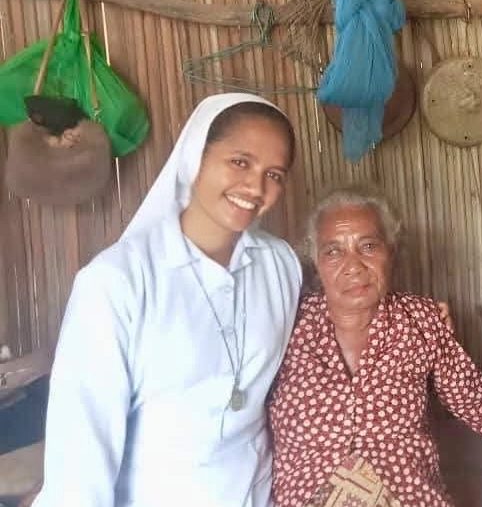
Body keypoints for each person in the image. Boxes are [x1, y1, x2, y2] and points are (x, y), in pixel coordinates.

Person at [34, 93, 303, 506]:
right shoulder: (117, 283)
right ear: (196, 156)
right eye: (240, 162)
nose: (255, 186)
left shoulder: (281, 266)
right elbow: (82, 453)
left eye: (275, 174)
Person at [268, 186, 482, 507]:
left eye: (368, 246)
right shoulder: (284, 324)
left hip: (407, 496)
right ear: (315, 262)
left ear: (392, 251)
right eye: (333, 251)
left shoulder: (421, 321)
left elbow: (477, 402)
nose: (353, 265)